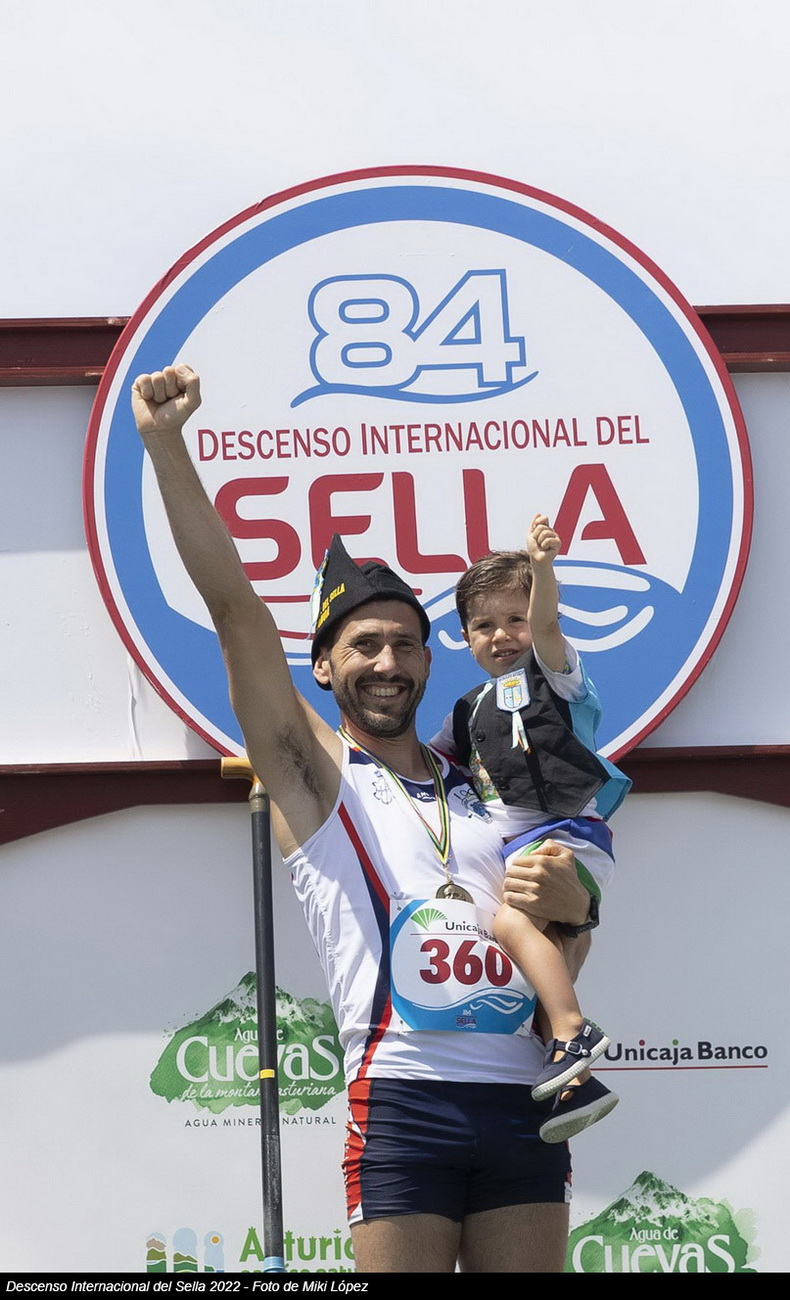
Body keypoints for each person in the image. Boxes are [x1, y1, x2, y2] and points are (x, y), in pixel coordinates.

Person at [131, 364, 603, 1274]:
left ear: (429, 662)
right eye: (364, 645)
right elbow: (235, 612)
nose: (387, 662)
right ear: (323, 667)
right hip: (403, 1102)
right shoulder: (313, 774)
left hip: (526, 1099)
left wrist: (580, 913)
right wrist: (166, 445)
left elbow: (559, 945)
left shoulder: (484, 785)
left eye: (405, 644)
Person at [432, 514, 631, 1143]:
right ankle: (576, 1082)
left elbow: (546, 628)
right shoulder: (468, 709)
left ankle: (574, 1032)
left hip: (567, 835)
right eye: (483, 625)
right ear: (464, 637)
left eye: (515, 619)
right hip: (517, 847)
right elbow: (427, 764)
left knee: (512, 926)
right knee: (545, 952)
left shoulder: (557, 676)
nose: (502, 635)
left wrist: (542, 569)